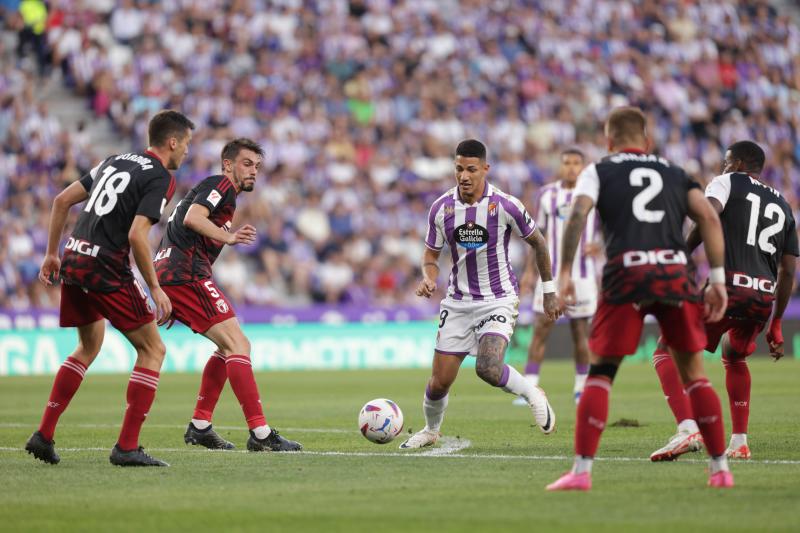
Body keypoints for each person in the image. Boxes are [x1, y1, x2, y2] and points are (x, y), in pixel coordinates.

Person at [546, 106, 734, 491]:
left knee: (601, 374)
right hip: (674, 274)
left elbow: (578, 215)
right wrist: (716, 279)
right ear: (647, 141)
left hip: (626, 274)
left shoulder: (598, 171)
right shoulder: (676, 172)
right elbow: (710, 219)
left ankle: (581, 473)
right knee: (695, 374)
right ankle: (720, 470)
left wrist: (563, 273)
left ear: (608, 141)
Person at [25, 110, 195, 467]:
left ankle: (43, 435)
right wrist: (156, 287)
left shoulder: (114, 160)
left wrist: (51, 254)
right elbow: (136, 235)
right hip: (105, 266)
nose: (187, 153)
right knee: (153, 350)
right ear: (173, 141)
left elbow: (60, 201)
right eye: (187, 145)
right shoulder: (161, 177)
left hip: (74, 256)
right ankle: (127, 447)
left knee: (89, 346)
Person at [400, 139, 561, 450]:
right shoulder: (441, 208)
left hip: (497, 299)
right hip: (458, 303)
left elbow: (539, 243)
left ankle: (532, 393)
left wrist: (549, 291)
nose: (464, 176)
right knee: (438, 383)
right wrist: (428, 279)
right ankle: (431, 430)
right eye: (459, 169)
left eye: (471, 169)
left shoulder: (505, 205)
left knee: (487, 367)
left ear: (485, 169)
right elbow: (431, 256)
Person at [649, 140, 798, 461]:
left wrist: (680, 253)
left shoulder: (727, 182)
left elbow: (707, 215)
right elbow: (788, 270)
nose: (722, 167)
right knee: (734, 356)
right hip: (762, 298)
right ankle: (740, 441)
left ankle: (687, 429)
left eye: (727, 161)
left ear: (739, 164)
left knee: (666, 349)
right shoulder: (785, 206)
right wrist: (775, 324)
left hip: (728, 287)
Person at [154, 138, 302, 452]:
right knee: (239, 345)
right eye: (247, 164)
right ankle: (260, 434)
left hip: (175, 273)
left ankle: (200, 426)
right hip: (186, 273)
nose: (253, 172)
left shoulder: (220, 192)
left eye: (257, 167)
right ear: (228, 164)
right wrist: (229, 237)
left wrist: (164, 290)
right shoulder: (219, 184)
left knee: (226, 348)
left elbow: (179, 225)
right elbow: (193, 218)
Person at [514, 148, 600, 407]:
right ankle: (531, 387)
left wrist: (600, 245)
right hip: (549, 274)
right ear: (561, 166)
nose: (572, 168)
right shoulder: (547, 195)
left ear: (583, 167)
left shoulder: (593, 193)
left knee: (580, 333)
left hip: (582, 274)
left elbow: (608, 227)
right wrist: (530, 272)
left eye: (577, 163)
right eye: (567, 163)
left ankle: (581, 388)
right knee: (540, 329)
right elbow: (536, 236)